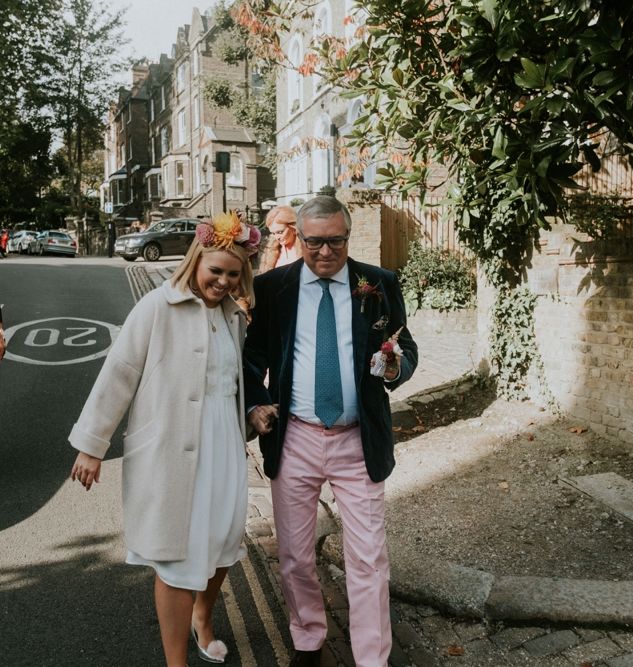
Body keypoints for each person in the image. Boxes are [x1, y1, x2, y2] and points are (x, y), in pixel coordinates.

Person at [69, 210, 260, 667]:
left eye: (233, 274)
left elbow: (233, 382)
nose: (223, 281)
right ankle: (176, 662)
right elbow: (119, 374)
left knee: (223, 545)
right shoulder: (157, 305)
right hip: (170, 445)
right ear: (196, 261)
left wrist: (257, 411)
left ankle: (203, 618)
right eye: (216, 270)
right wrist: (92, 445)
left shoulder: (234, 316)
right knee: (174, 556)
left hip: (224, 443)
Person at [244, 196, 418, 667]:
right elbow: (251, 356)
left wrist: (394, 368)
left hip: (357, 439)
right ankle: (307, 639)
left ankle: (371, 658)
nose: (325, 252)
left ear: (348, 236)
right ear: (298, 238)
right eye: (315, 241)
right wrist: (256, 404)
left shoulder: (378, 283)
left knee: (368, 557)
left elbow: (405, 347)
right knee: (296, 555)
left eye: (335, 241)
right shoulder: (273, 286)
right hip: (295, 435)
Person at [257, 205, 301, 272]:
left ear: (293, 228)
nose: (277, 237)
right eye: (273, 233)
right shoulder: (271, 249)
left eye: (280, 232)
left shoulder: (306, 249)